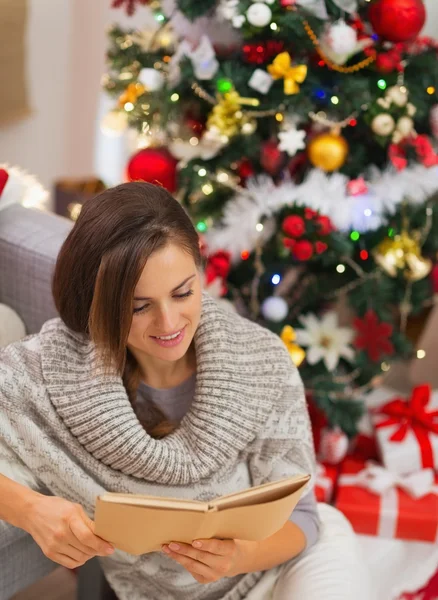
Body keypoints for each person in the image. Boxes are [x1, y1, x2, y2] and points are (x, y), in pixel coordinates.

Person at [0, 182, 371, 600]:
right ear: (95, 299)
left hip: (289, 569)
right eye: (139, 306)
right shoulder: (46, 376)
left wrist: (238, 557)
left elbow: (303, 517)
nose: (169, 322)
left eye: (183, 292)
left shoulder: (259, 361)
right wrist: (28, 509)